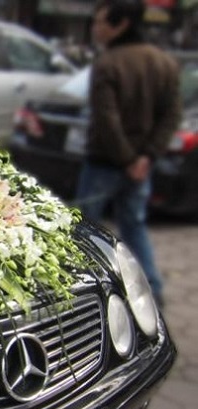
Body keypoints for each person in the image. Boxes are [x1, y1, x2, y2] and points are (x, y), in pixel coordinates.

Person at [76, 0, 181, 308]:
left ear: (121, 24)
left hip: (105, 163)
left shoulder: (109, 64)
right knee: (134, 225)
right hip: (140, 165)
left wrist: (129, 159)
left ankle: (83, 295)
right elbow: (170, 118)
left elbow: (107, 120)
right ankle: (153, 288)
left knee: (84, 231)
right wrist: (145, 157)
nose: (96, 29)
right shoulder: (163, 62)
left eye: (100, 23)